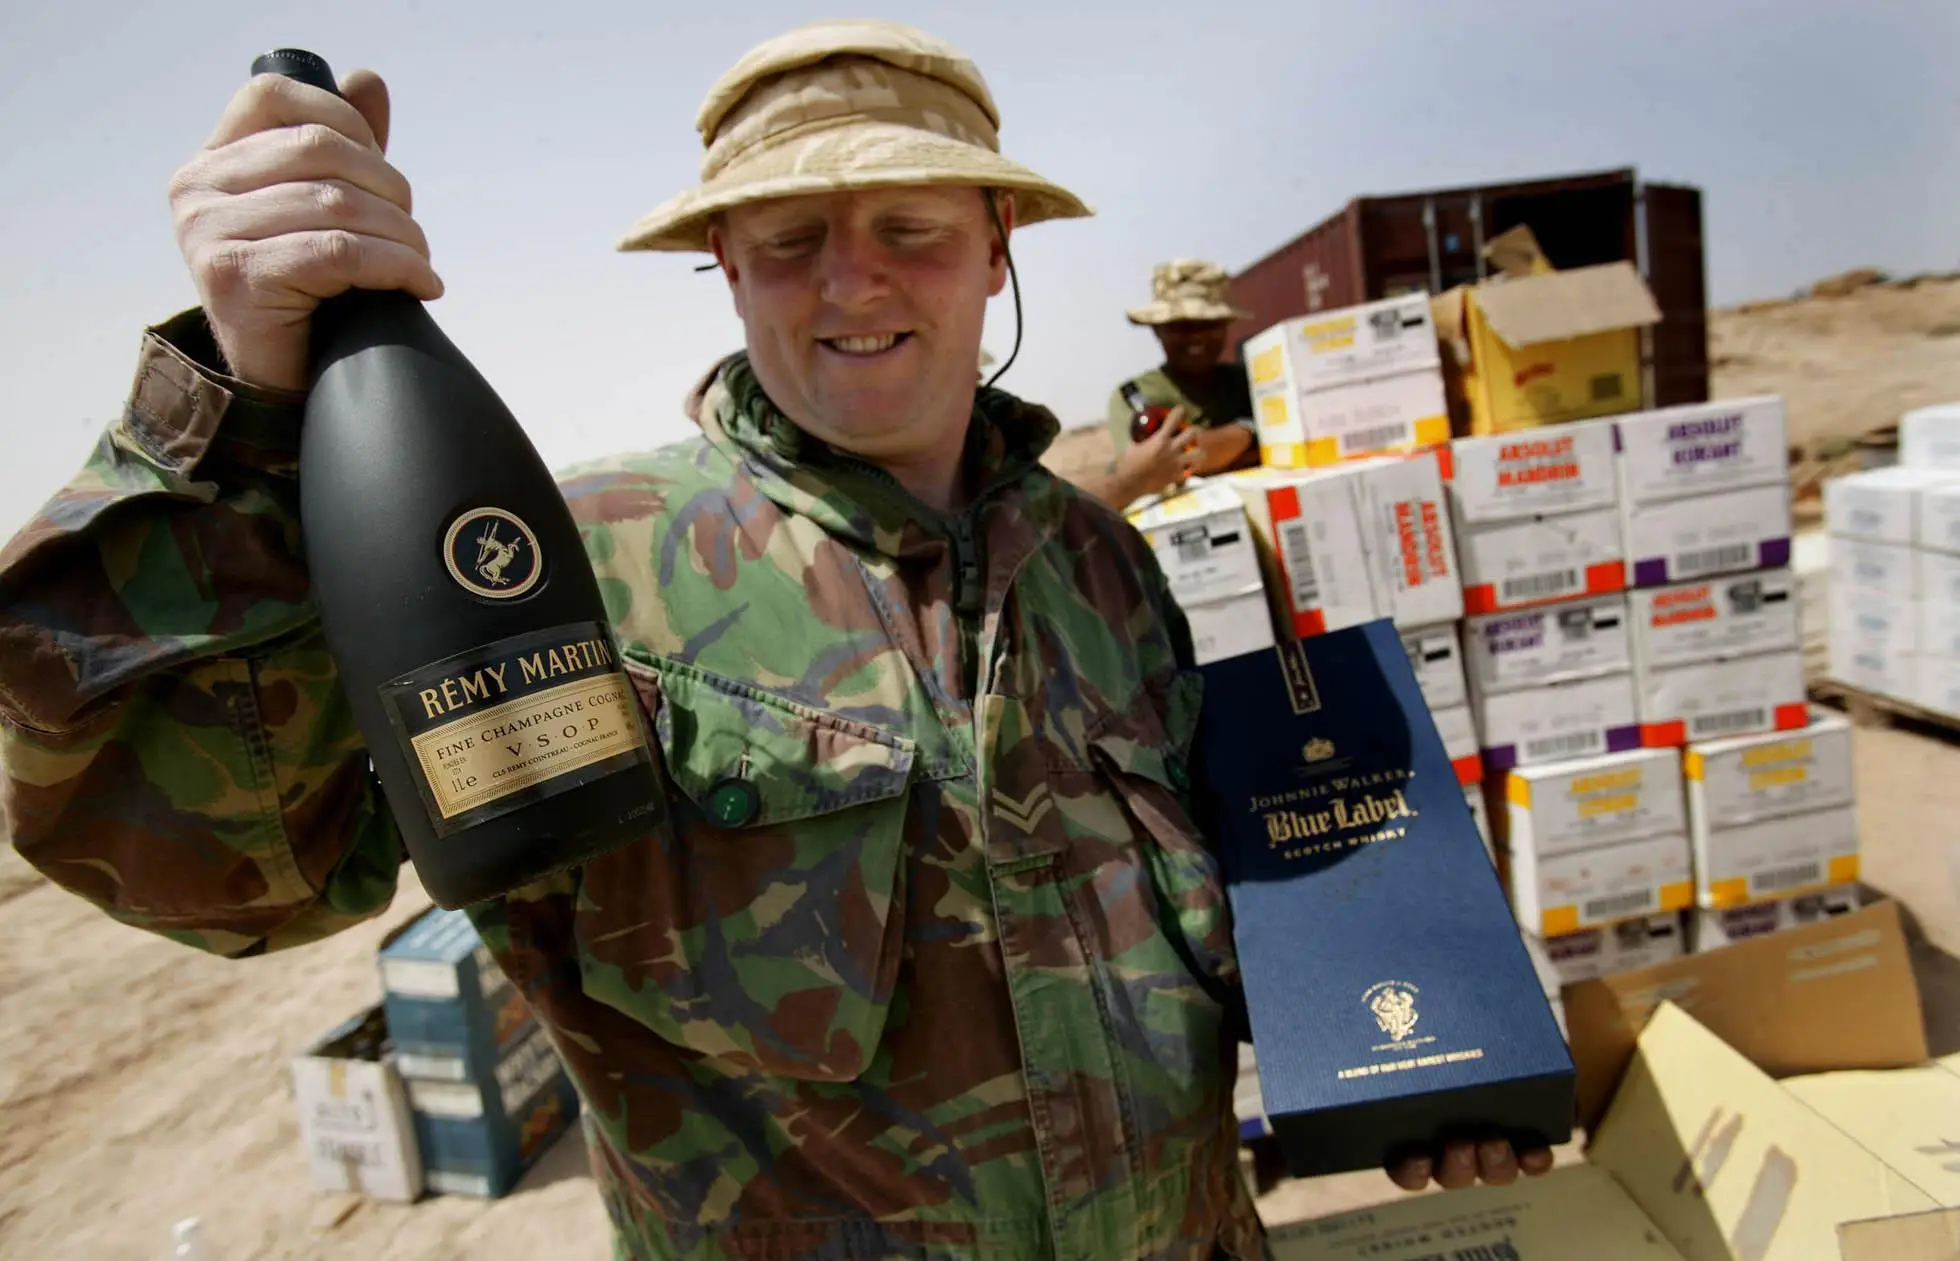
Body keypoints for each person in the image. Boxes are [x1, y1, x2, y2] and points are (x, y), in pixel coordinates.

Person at [0, 20, 1547, 1259]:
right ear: (721, 265)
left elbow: (1242, 934)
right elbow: (225, 877)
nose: (854, 278)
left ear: (998, 245)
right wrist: (235, 422)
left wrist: (1425, 1079)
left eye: (910, 229)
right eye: (790, 235)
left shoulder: (1100, 568)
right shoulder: (567, 565)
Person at [1083, 260, 1261, 510]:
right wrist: (1250, 436)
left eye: (1209, 325)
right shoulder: (1135, 396)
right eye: (1181, 326)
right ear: (1157, 329)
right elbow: (1151, 469)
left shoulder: (1252, 380)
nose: (1196, 337)